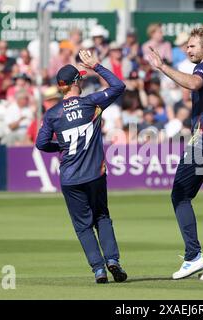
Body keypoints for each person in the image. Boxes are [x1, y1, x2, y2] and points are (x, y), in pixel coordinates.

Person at [148, 27, 203, 281]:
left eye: (192, 46)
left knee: (179, 195)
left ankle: (193, 256)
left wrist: (163, 67)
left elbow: (194, 82)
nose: (188, 50)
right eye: (187, 46)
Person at [36, 50, 127, 284]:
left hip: (70, 177)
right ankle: (113, 261)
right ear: (76, 82)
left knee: (83, 226)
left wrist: (61, 147)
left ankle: (98, 269)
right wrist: (97, 65)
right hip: (95, 174)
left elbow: (40, 143)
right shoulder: (91, 102)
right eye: (81, 78)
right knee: (102, 218)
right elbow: (118, 86)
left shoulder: (53, 113)